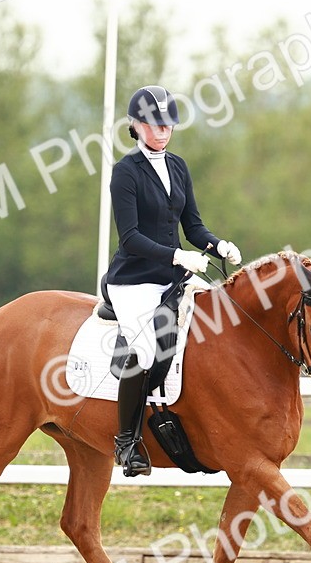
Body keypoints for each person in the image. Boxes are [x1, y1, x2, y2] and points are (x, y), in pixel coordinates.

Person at [103, 84, 243, 477]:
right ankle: (126, 443)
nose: (161, 131)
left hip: (174, 277)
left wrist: (218, 245)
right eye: (153, 124)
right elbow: (130, 237)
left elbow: (193, 225)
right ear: (135, 125)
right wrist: (177, 255)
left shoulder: (178, 166)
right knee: (145, 352)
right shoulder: (125, 173)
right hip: (134, 280)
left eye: (167, 124)